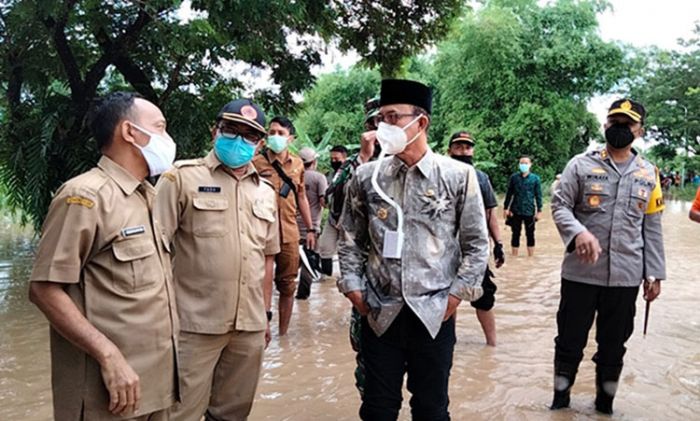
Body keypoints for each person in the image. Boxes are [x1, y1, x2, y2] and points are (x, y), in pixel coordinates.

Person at [338, 79, 489, 420]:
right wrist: (354, 290)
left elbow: (477, 244)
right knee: (377, 408)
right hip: (380, 311)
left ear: (420, 123)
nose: (383, 127)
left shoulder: (458, 176)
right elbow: (349, 238)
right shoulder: (365, 177)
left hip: (434, 312)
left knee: (432, 409)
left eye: (392, 117)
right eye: (380, 119)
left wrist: (455, 297)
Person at [28, 92, 178, 420]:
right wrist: (109, 355)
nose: (168, 139)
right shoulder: (84, 196)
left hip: (154, 385)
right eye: (161, 128)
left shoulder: (148, 196)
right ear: (129, 132)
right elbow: (44, 290)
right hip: (107, 391)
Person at [156, 98, 279, 421]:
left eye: (249, 136)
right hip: (192, 325)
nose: (239, 141)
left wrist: (265, 315)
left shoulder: (265, 192)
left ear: (259, 143)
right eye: (231, 130)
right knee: (178, 414)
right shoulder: (180, 178)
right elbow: (155, 250)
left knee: (232, 414)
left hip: (249, 326)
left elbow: (267, 258)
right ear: (215, 131)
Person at [550, 99, 666, 415]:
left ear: (639, 130)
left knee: (614, 349)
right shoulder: (579, 165)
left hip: (626, 277)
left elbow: (652, 226)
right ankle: (560, 403)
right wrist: (578, 233)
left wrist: (654, 274)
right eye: (614, 121)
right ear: (605, 125)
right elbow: (559, 205)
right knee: (569, 343)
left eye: (627, 123)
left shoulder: (649, 173)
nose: (619, 128)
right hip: (580, 274)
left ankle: (605, 406)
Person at [252, 116, 316, 335]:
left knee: (288, 285)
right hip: (260, 233)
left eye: (280, 133)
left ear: (291, 138)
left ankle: (283, 335)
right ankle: (261, 332)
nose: (275, 137)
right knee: (258, 283)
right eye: (271, 132)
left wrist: (310, 229)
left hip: (289, 233)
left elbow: (302, 197)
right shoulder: (255, 162)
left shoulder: (297, 164)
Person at [447, 131, 505, 346]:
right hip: (445, 248)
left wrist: (498, 244)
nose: (463, 151)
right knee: (447, 295)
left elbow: (491, 215)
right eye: (459, 147)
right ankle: (448, 342)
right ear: (450, 150)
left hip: (474, 250)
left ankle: (492, 345)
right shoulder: (441, 174)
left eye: (467, 147)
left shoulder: (481, 178)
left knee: (484, 297)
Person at [318, 98, 381, 282]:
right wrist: (363, 159)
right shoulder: (352, 163)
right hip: (362, 249)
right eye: (375, 123)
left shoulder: (410, 161)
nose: (380, 128)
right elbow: (331, 194)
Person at [295, 146, 328, 299]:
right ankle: (302, 296)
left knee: (291, 261)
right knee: (309, 262)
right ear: (314, 161)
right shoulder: (319, 178)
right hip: (311, 227)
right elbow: (324, 201)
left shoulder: (293, 175)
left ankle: (284, 290)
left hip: (291, 226)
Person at [504, 155, 543, 256]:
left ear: (530, 165)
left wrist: (539, 211)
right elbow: (509, 193)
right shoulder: (514, 178)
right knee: (515, 234)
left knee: (530, 234)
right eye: (521, 163)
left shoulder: (535, 179)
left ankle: (531, 257)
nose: (523, 165)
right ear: (519, 165)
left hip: (529, 210)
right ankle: (514, 257)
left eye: (526, 163)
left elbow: (538, 195)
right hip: (515, 210)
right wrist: (505, 208)